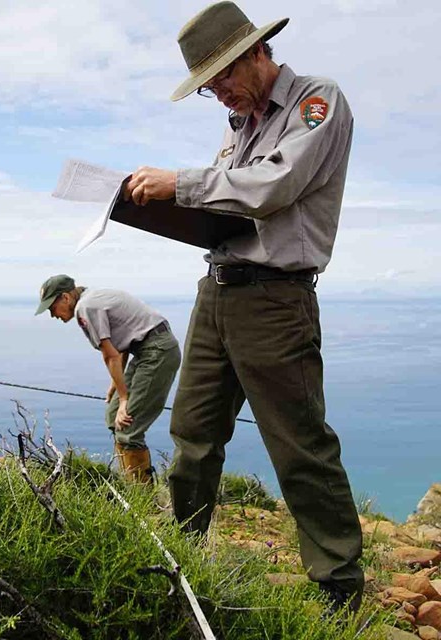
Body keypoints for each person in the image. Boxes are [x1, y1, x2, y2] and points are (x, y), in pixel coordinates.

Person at [123, 1, 364, 614]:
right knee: (192, 434)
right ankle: (178, 563)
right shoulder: (238, 124)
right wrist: (157, 211)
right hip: (217, 290)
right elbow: (224, 207)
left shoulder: (318, 101)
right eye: (209, 88)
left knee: (299, 443)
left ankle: (338, 589)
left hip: (276, 300)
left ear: (256, 53)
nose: (221, 94)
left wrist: (180, 183)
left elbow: (273, 185)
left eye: (223, 77)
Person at [35, 274, 181, 483]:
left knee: (128, 427)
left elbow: (109, 354)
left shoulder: (86, 308)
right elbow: (119, 345)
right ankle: (130, 481)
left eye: (52, 308)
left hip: (157, 352)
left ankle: (142, 497)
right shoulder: (92, 297)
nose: (52, 315)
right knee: (114, 416)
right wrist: (116, 384)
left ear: (65, 298)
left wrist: (124, 399)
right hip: (147, 349)